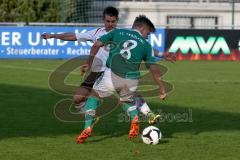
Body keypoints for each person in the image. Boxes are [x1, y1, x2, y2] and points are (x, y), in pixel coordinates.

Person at [41, 7, 173, 125]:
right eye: (108, 21)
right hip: (97, 72)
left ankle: (149, 114)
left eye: (113, 21)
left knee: (132, 93)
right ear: (104, 20)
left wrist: (161, 54)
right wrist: (53, 35)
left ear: (117, 21)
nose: (110, 24)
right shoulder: (96, 33)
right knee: (77, 99)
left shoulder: (120, 33)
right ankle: (91, 117)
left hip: (114, 71)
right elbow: (73, 36)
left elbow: (145, 48)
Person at [77, 15, 167, 144]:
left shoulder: (117, 31)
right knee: (126, 101)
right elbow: (153, 68)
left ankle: (87, 127)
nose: (148, 36)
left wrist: (88, 62)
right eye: (148, 33)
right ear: (141, 28)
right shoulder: (146, 46)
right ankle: (135, 116)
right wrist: (162, 88)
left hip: (111, 74)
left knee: (94, 95)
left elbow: (96, 44)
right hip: (132, 79)